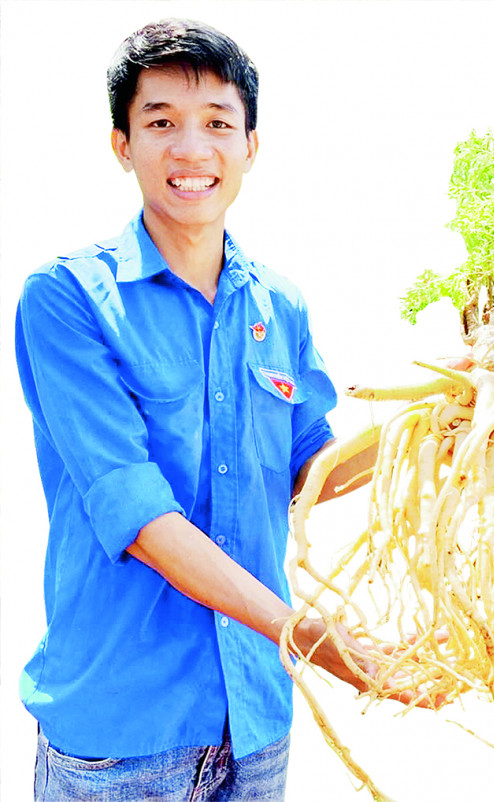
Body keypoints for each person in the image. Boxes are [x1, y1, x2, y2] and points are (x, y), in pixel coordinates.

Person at [15, 17, 429, 801]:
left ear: (251, 147)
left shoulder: (278, 303)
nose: (192, 150)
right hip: (120, 741)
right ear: (121, 144)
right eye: (161, 122)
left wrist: (446, 418)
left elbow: (310, 470)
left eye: (217, 125)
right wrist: (305, 636)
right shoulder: (67, 301)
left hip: (255, 726)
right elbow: (140, 518)